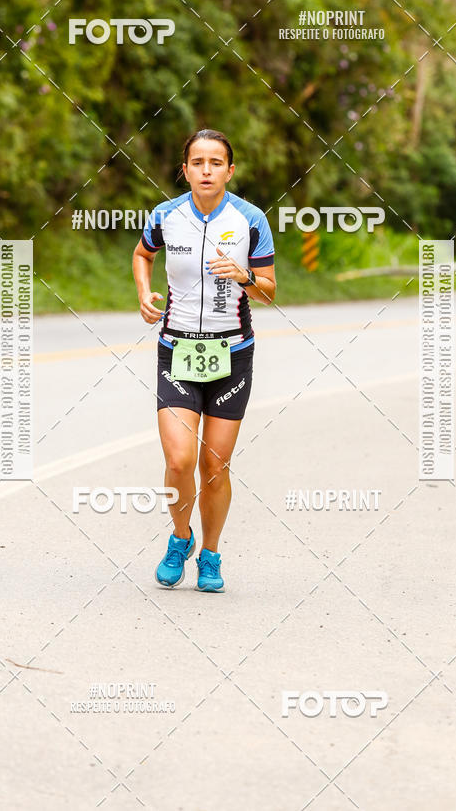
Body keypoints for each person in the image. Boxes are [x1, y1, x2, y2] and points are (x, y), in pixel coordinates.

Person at [132, 129, 276, 592]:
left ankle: (210, 555)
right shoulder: (166, 215)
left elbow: (269, 292)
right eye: (198, 162)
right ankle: (181, 538)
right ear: (186, 169)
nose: (207, 170)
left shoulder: (250, 219)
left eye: (216, 163)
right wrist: (143, 294)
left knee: (214, 466)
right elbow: (141, 254)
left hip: (232, 354)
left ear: (230, 171)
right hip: (177, 350)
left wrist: (246, 275)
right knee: (178, 459)